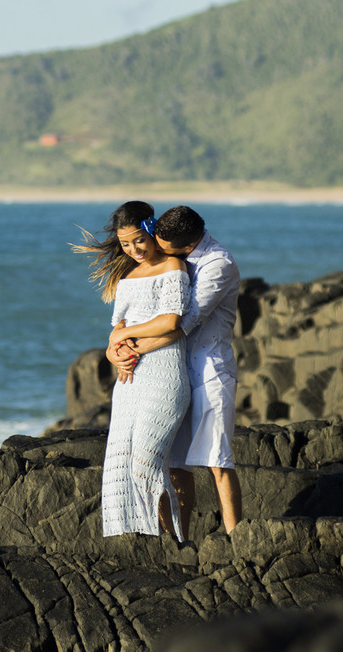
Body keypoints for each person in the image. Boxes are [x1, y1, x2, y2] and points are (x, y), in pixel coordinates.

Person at [112, 205, 242, 539]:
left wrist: (128, 347)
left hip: (210, 370)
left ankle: (236, 539)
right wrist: (116, 350)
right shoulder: (173, 249)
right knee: (174, 464)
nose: (152, 248)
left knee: (217, 460)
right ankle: (178, 539)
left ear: (186, 246)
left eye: (161, 245)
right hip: (173, 370)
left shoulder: (219, 264)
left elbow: (182, 322)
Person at [73, 201, 190, 539]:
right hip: (129, 383)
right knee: (120, 468)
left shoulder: (174, 266)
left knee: (146, 462)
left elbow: (172, 320)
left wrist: (124, 335)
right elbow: (114, 333)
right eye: (126, 243)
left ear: (152, 231)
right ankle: (141, 541)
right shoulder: (127, 277)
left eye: (139, 239)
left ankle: (173, 540)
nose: (134, 249)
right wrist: (113, 353)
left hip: (165, 378)